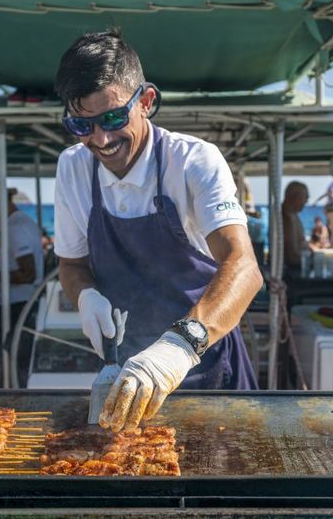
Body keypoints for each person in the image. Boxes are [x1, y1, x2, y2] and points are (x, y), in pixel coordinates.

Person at [53, 31, 260, 432]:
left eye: (113, 118)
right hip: (125, 374)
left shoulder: (194, 161)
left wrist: (179, 346)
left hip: (204, 363)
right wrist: (85, 296)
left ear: (145, 102)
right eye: (82, 124)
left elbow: (243, 266)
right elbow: (71, 262)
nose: (102, 139)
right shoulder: (73, 168)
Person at [0, 180, 44, 387]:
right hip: (22, 303)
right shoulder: (20, 222)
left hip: (17, 306)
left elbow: (27, 274)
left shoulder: (16, 227)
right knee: (16, 362)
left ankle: (10, 406)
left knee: (11, 364)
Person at [282, 181, 310, 272]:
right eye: (305, 197)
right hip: (291, 272)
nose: (306, 201)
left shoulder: (293, 216)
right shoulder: (286, 219)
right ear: (292, 197)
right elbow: (291, 257)